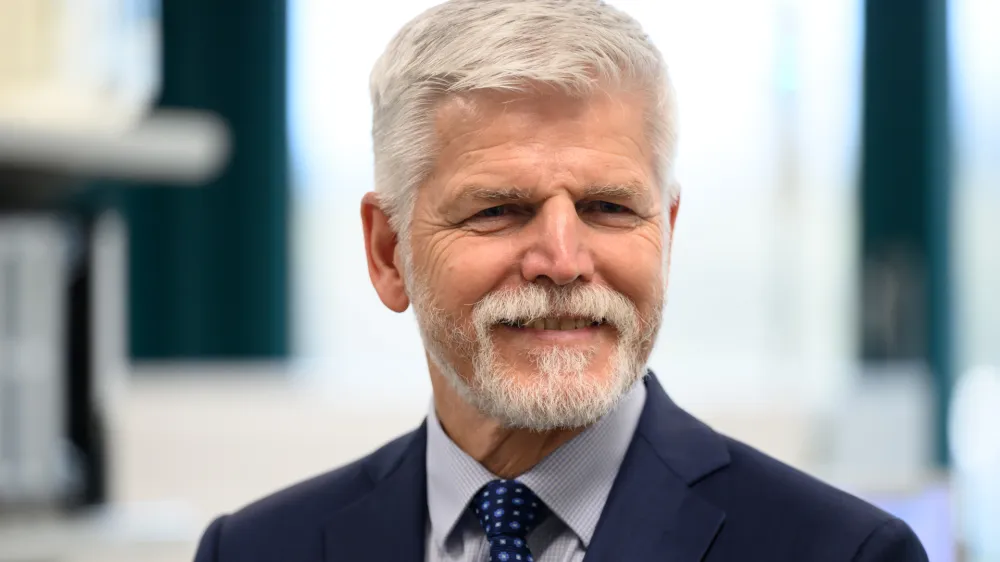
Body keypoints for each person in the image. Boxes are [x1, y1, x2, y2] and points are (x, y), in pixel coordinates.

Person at [194, 1, 929, 561]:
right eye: (499, 210)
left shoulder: (840, 553)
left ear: (666, 234)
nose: (563, 258)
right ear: (389, 253)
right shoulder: (256, 549)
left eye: (609, 208)